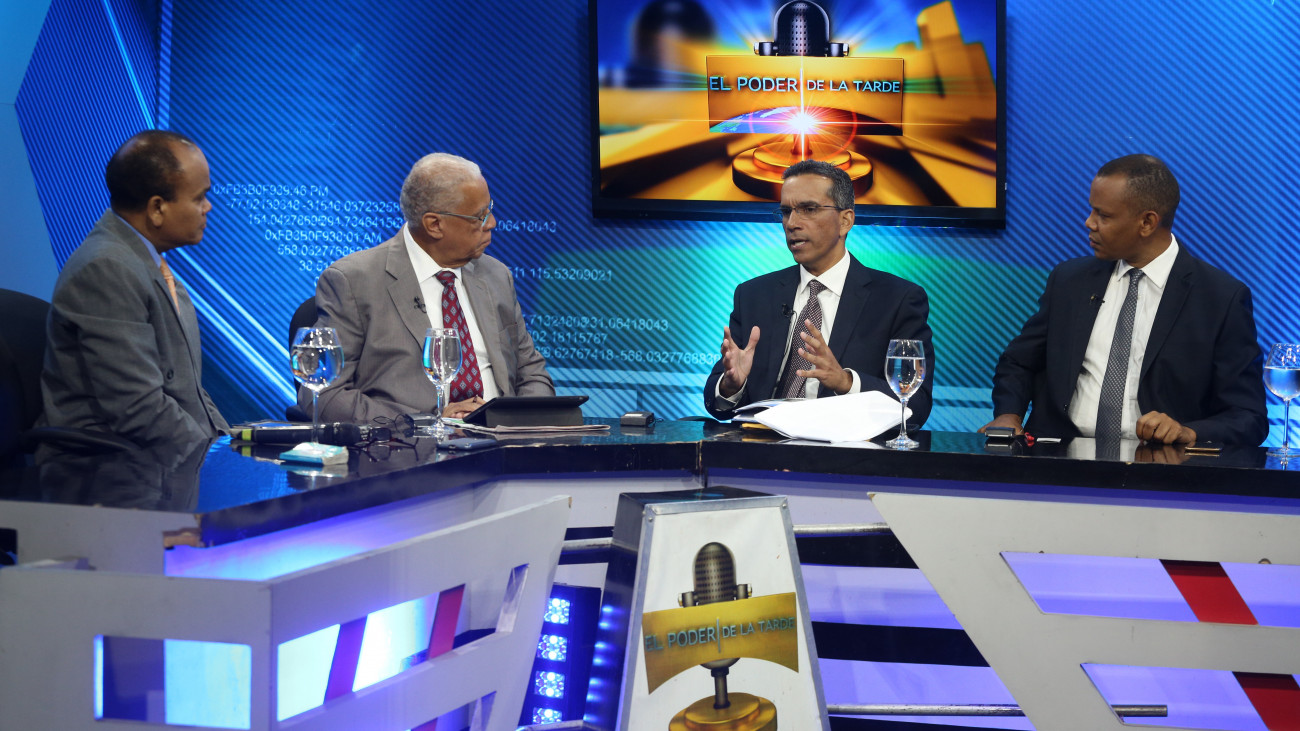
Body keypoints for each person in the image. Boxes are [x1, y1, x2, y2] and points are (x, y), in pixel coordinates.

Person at [982, 154, 1267, 446]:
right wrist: (1008, 415)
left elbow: (1248, 417)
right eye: (1092, 210)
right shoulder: (1069, 281)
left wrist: (1187, 432)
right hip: (1056, 455)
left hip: (1158, 463)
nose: (1089, 222)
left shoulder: (1220, 299)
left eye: (1103, 215)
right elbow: (1018, 362)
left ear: (1147, 222)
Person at [305, 153, 553, 424]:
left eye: (490, 209)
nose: (492, 223)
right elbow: (322, 393)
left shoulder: (496, 275)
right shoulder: (354, 282)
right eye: (480, 216)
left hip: (502, 440)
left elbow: (532, 373)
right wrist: (423, 424)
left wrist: (517, 422)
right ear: (434, 225)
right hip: (409, 444)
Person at [703, 159, 935, 424]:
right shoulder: (753, 295)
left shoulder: (897, 300)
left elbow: (916, 406)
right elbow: (717, 403)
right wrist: (731, 385)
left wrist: (846, 382)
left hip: (844, 446)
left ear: (845, 220)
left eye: (808, 209)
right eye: (786, 212)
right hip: (760, 442)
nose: (792, 223)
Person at [41, 130, 229, 447]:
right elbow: (139, 409)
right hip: (109, 465)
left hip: (166, 457)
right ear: (157, 208)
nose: (207, 207)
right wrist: (216, 458)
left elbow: (191, 394)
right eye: (199, 197)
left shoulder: (147, 262)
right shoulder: (106, 269)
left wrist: (231, 444)